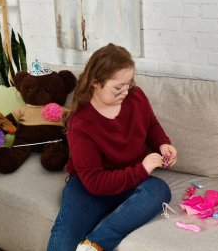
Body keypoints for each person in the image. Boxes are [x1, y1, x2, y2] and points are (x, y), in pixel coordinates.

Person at [47, 43, 177, 251]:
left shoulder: (136, 96)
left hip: (129, 182)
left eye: (129, 83)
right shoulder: (81, 122)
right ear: (95, 83)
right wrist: (142, 169)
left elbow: (151, 124)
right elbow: (95, 183)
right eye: (118, 87)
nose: (126, 91)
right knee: (64, 239)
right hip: (88, 186)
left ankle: (94, 245)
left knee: (158, 190)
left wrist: (163, 144)